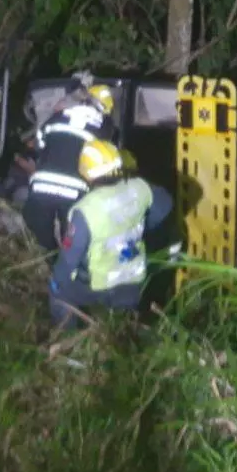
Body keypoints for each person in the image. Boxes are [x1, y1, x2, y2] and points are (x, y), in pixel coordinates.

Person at [48, 139, 173, 330]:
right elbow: (166, 204)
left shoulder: (85, 210)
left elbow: (69, 260)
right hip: (134, 283)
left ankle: (69, 337)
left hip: (100, 288)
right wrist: (143, 228)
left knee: (58, 293)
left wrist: (57, 282)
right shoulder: (141, 188)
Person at [21, 80, 118, 252]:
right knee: (73, 244)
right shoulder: (104, 128)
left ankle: (48, 265)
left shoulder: (57, 116)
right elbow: (101, 161)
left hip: (42, 186)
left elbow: (40, 145)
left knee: (40, 243)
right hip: (75, 190)